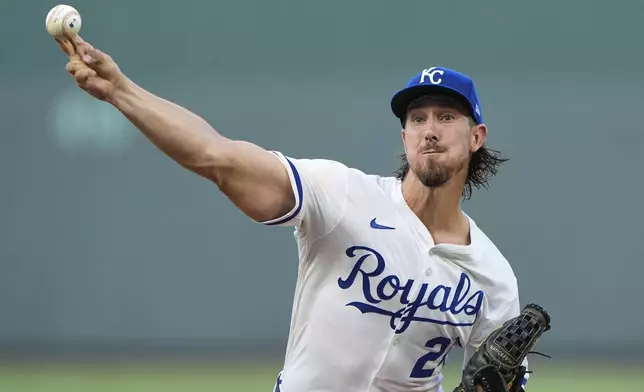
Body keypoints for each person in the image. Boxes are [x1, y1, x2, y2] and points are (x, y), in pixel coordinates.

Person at [55, 35, 527, 392]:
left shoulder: (492, 277)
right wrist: (120, 90)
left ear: (476, 136)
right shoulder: (342, 195)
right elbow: (215, 156)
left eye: (447, 117)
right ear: (403, 137)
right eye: (417, 118)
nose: (430, 130)